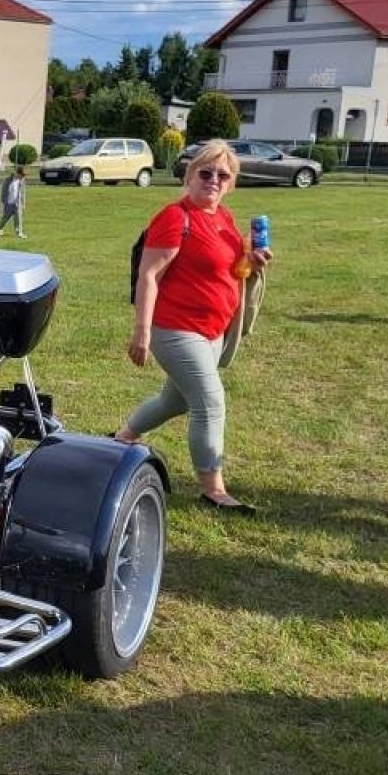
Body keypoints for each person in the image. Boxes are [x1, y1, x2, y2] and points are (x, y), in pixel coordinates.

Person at [116, 140, 271, 514]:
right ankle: (213, 490)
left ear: (231, 183)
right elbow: (149, 275)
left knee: (175, 400)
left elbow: (231, 271)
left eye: (223, 175)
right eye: (206, 172)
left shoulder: (225, 219)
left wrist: (251, 262)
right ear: (189, 176)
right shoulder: (174, 217)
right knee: (210, 401)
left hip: (212, 332)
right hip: (175, 328)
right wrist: (142, 331)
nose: (214, 180)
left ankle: (122, 438)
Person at [0, 165, 26, 238]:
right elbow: (3, 191)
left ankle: (18, 232)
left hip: (17, 203)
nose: (22, 177)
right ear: (17, 173)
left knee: (18, 217)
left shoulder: (21, 181)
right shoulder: (8, 180)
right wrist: (3, 202)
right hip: (8, 202)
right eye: (21, 175)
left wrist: (23, 203)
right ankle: (0, 228)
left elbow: (22, 192)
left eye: (23, 175)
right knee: (6, 217)